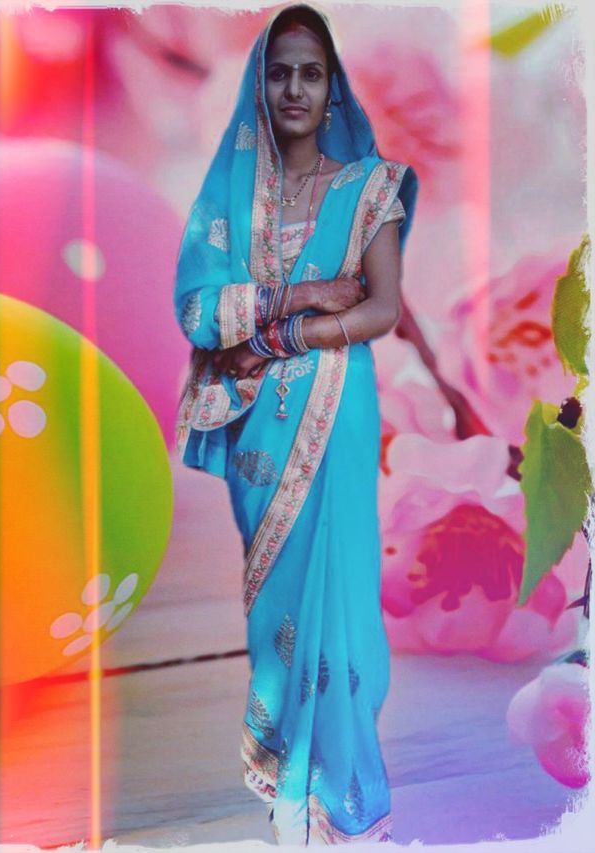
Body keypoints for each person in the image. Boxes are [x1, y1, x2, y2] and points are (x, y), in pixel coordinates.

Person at [173, 3, 418, 845]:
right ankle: (286, 772)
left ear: (332, 87)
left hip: (336, 410)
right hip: (260, 433)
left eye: (311, 73)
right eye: (279, 73)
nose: (294, 89)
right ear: (259, 86)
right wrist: (302, 294)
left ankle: (337, 790)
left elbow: (382, 309)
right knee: (275, 599)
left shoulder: (370, 188)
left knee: (339, 586)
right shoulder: (231, 198)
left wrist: (279, 335)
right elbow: (198, 309)